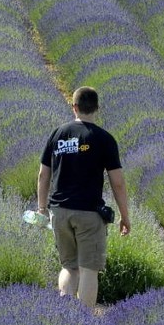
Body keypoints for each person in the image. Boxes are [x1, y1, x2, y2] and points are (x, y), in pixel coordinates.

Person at [36, 86, 131, 309]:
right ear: (97, 108)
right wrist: (125, 216)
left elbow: (43, 174)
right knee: (89, 269)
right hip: (89, 213)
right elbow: (117, 182)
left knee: (69, 267)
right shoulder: (104, 139)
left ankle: (66, 315)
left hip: (59, 212)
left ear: (74, 107)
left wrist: (42, 208)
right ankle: (84, 322)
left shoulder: (57, 134)